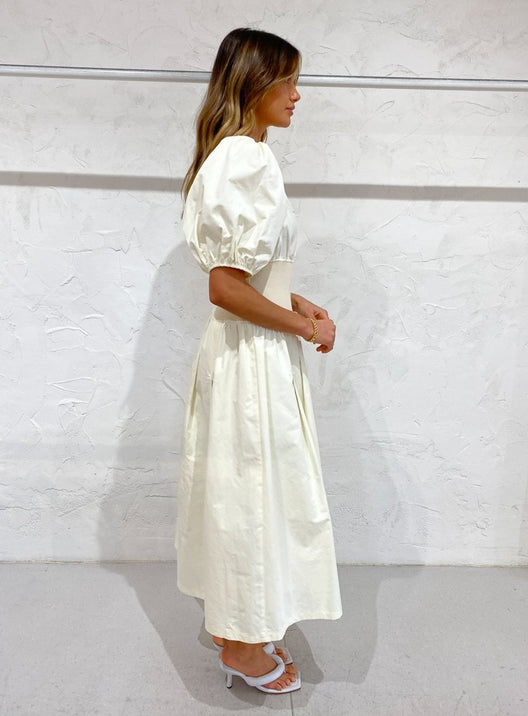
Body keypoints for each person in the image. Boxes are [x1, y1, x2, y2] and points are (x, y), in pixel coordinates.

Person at [175, 27, 342, 694]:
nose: (297, 95)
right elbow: (224, 287)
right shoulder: (245, 158)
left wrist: (300, 301)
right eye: (288, 81)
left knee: (243, 491)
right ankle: (244, 650)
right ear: (254, 83)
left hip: (244, 350)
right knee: (252, 495)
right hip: (251, 359)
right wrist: (303, 325)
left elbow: (249, 274)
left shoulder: (233, 156)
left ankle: (238, 626)